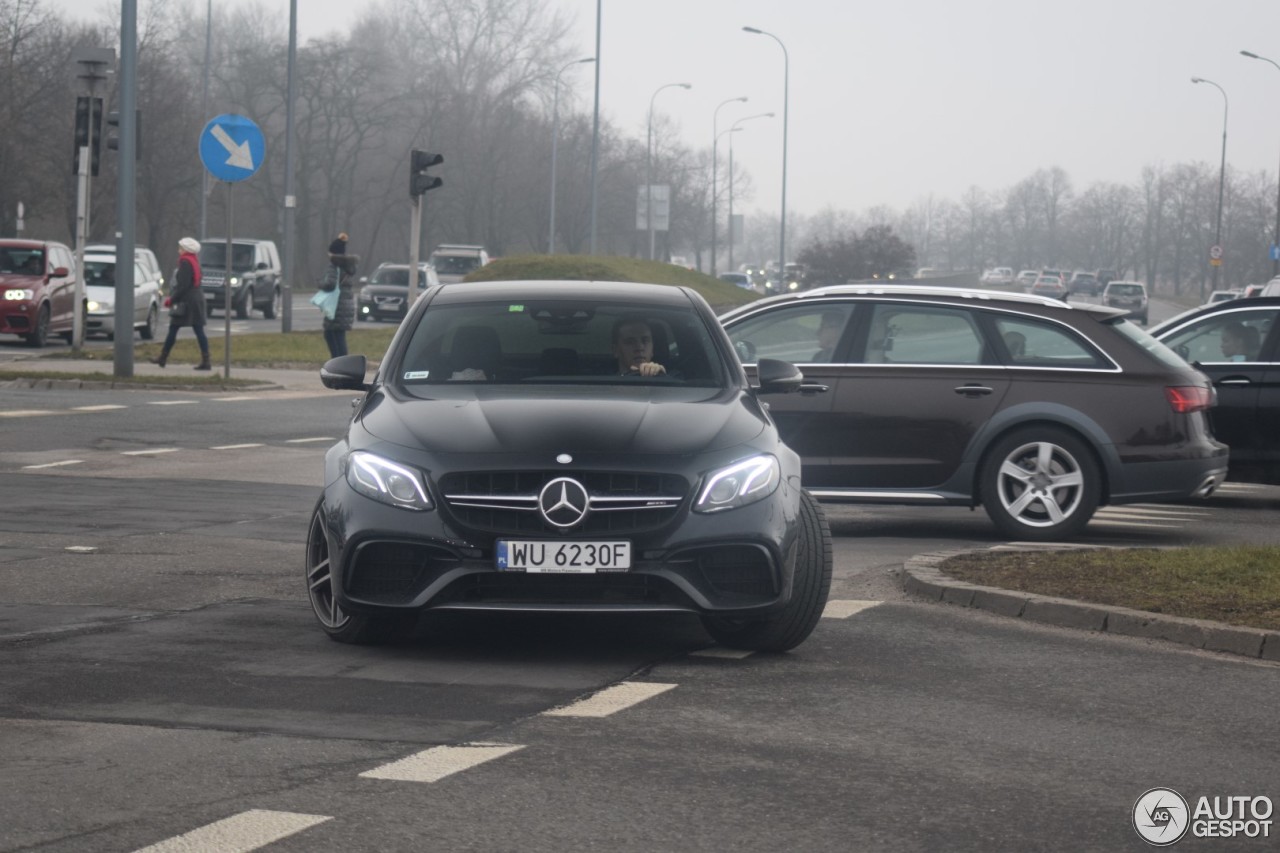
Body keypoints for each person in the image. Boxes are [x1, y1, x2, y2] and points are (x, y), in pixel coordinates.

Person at [150, 237, 210, 370]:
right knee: (199, 330)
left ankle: (163, 357)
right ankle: (206, 360)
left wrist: (171, 300)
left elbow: (183, 286)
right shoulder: (195, 261)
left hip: (187, 302)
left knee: (173, 329)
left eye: (181, 248)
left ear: (186, 250)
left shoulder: (185, 262)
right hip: (197, 299)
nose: (179, 250)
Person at [323, 233, 357, 358]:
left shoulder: (334, 266)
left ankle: (338, 361)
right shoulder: (348, 266)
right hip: (345, 304)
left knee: (330, 334)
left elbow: (330, 284)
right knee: (339, 334)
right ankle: (342, 360)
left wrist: (321, 285)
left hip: (336, 305)